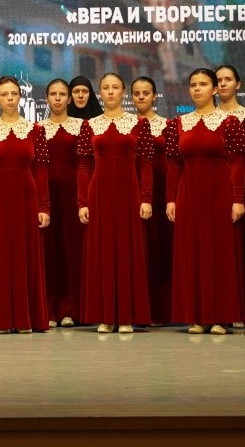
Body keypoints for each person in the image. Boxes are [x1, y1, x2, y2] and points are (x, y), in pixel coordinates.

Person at [166, 68, 245, 335]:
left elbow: (237, 163)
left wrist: (237, 199)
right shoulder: (179, 123)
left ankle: (220, 317)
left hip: (219, 193)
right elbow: (174, 164)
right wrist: (171, 199)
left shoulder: (229, 122)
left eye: (203, 84)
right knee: (191, 253)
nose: (197, 89)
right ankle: (196, 316)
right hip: (188, 194)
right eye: (193, 84)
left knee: (218, 253)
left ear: (214, 89)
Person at [0, 77, 51, 333]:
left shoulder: (36, 131)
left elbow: (40, 171)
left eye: (14, 94)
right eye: (4, 94)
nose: (9, 98)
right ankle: (1, 319)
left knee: (26, 255)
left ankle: (26, 318)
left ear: (20, 97)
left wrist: (44, 207)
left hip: (26, 197)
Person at [77, 73, 153, 334]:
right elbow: (84, 167)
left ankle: (127, 316)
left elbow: (145, 165)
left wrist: (146, 198)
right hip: (99, 194)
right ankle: (106, 316)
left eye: (115, 88)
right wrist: (82, 202)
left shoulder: (138, 124)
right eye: (105, 88)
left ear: (123, 92)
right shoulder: (90, 126)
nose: (110, 92)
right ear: (100, 93)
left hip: (129, 194)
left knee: (128, 251)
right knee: (102, 252)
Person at [215, 64, 245, 330]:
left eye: (228, 79)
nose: (223, 84)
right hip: (213, 192)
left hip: (240, 193)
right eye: (219, 80)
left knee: (242, 252)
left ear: (238, 84)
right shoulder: (206, 118)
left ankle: (240, 310)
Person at [39, 79, 85, 327]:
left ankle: (72, 309)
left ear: (69, 99)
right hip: (46, 195)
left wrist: (84, 198)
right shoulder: (37, 129)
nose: (57, 98)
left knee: (73, 250)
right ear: (46, 98)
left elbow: (87, 165)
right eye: (53, 94)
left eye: (62, 94)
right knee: (48, 251)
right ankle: (48, 309)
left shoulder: (82, 127)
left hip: (73, 195)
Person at [131, 76, 173, 326]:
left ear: (155, 95)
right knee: (140, 248)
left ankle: (163, 310)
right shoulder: (127, 125)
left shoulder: (168, 125)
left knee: (161, 247)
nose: (141, 97)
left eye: (146, 93)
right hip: (134, 190)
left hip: (161, 190)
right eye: (136, 93)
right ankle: (140, 307)